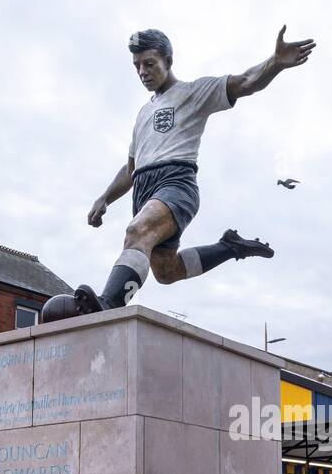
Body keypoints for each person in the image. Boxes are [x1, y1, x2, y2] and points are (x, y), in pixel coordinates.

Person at [54, 26, 317, 318]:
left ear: (168, 61)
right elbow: (131, 168)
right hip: (143, 190)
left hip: (175, 184)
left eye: (150, 63)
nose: (143, 71)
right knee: (167, 271)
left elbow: (245, 82)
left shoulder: (193, 93)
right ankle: (230, 247)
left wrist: (275, 62)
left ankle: (109, 304)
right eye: (137, 66)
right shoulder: (142, 113)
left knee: (136, 231)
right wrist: (105, 198)